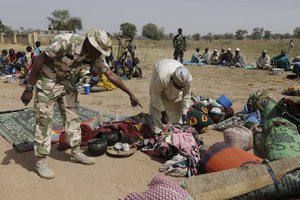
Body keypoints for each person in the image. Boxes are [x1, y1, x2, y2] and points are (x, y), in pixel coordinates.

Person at [20, 27, 142, 179]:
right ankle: (41, 161)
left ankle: (75, 152)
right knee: (44, 119)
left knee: (73, 116)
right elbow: (40, 59)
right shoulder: (66, 42)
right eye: (97, 50)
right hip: (48, 78)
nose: (99, 55)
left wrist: (130, 93)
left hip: (67, 80)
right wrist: (29, 87)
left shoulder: (95, 55)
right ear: (90, 43)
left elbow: (110, 74)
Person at [149, 59, 192, 134]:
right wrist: (163, 113)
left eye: (181, 87)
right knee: (158, 116)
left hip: (172, 69)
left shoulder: (188, 79)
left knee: (177, 111)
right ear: (172, 79)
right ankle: (158, 132)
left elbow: (186, 96)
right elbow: (155, 95)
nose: (180, 89)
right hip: (162, 68)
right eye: (178, 86)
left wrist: (184, 113)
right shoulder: (163, 77)